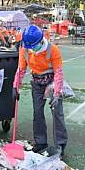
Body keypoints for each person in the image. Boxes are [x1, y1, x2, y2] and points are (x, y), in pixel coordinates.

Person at [13, 25, 68, 155]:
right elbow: (21, 70)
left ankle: (60, 144)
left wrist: (57, 93)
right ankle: (40, 142)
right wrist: (15, 86)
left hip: (52, 83)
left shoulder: (52, 50)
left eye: (34, 46)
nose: (32, 49)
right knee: (37, 113)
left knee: (57, 114)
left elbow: (58, 73)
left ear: (41, 40)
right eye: (29, 46)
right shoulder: (25, 50)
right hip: (37, 83)